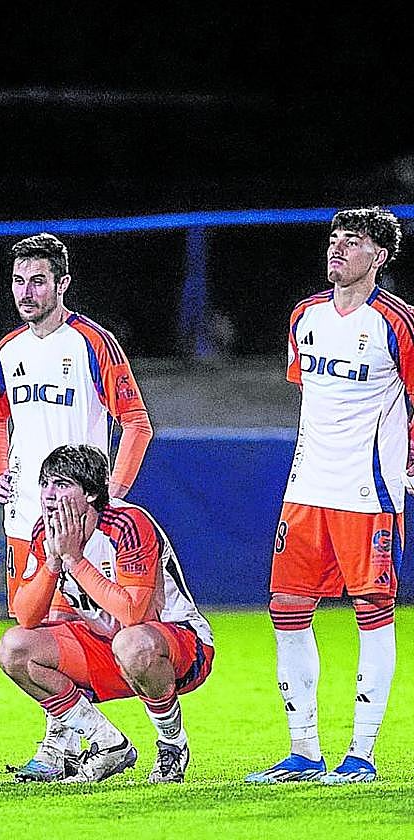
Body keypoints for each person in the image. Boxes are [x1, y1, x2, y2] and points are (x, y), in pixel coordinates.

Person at [0, 233, 153, 781]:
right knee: (36, 628)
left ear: (63, 284)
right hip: (26, 516)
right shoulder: (8, 351)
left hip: (82, 517)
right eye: (17, 281)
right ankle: (67, 743)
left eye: (37, 281)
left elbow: (136, 423)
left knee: (91, 624)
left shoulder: (91, 343)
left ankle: (91, 739)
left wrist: (112, 498)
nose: (25, 292)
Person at [247, 206, 408, 785]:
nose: (337, 248)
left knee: (372, 615)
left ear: (380, 257)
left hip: (370, 493)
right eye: (334, 239)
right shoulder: (304, 317)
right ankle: (304, 752)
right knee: (286, 610)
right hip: (306, 489)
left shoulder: (397, 323)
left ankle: (360, 755)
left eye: (354, 241)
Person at [0, 445, 214, 784]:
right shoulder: (44, 531)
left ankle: (172, 744)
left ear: (93, 493)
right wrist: (54, 562)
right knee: (14, 647)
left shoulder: (128, 524)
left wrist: (75, 561)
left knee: (132, 642)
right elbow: (26, 616)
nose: (50, 495)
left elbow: (133, 612)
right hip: (106, 647)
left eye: (63, 484)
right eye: (45, 484)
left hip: (176, 645)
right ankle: (107, 742)